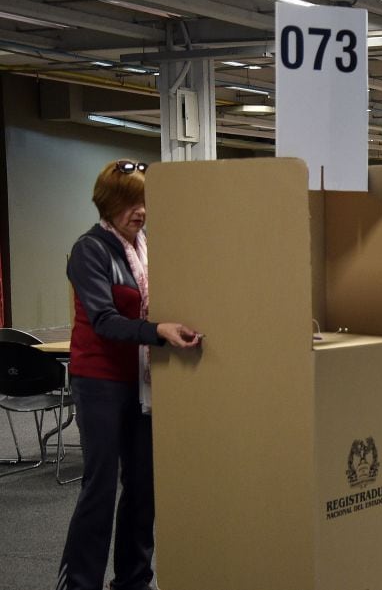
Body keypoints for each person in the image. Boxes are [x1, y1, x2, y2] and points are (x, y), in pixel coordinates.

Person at [57, 160, 201, 590]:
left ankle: (133, 580)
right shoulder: (90, 250)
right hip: (99, 381)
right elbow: (103, 319)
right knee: (100, 489)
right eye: (130, 202)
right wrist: (157, 331)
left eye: (144, 202)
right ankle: (80, 583)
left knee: (142, 486)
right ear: (108, 203)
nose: (140, 211)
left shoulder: (146, 248)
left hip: (142, 382)